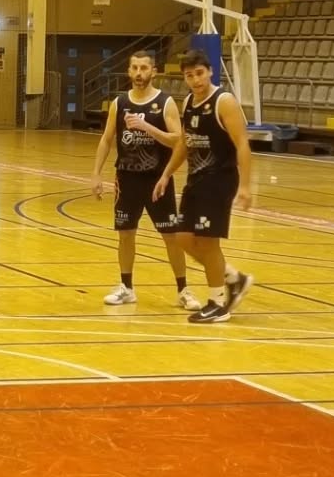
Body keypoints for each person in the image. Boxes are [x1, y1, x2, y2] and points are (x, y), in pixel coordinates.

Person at [90, 49, 198, 311]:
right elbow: (106, 139)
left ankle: (183, 290)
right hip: (126, 178)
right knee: (126, 234)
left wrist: (146, 127)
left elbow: (178, 140)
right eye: (135, 68)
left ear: (154, 71)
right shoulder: (119, 103)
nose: (139, 73)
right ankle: (126, 288)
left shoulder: (165, 102)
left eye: (144, 68)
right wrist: (96, 173)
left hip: (157, 180)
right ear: (129, 71)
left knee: (171, 236)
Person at [153, 48, 254, 324]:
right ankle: (233, 277)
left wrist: (245, 186)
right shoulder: (188, 102)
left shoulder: (224, 102)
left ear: (210, 72)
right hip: (196, 180)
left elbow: (243, 144)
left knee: (208, 242)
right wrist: (166, 174)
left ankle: (218, 303)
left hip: (219, 180)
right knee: (182, 237)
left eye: (199, 73)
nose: (196, 80)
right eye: (189, 75)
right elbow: (185, 142)